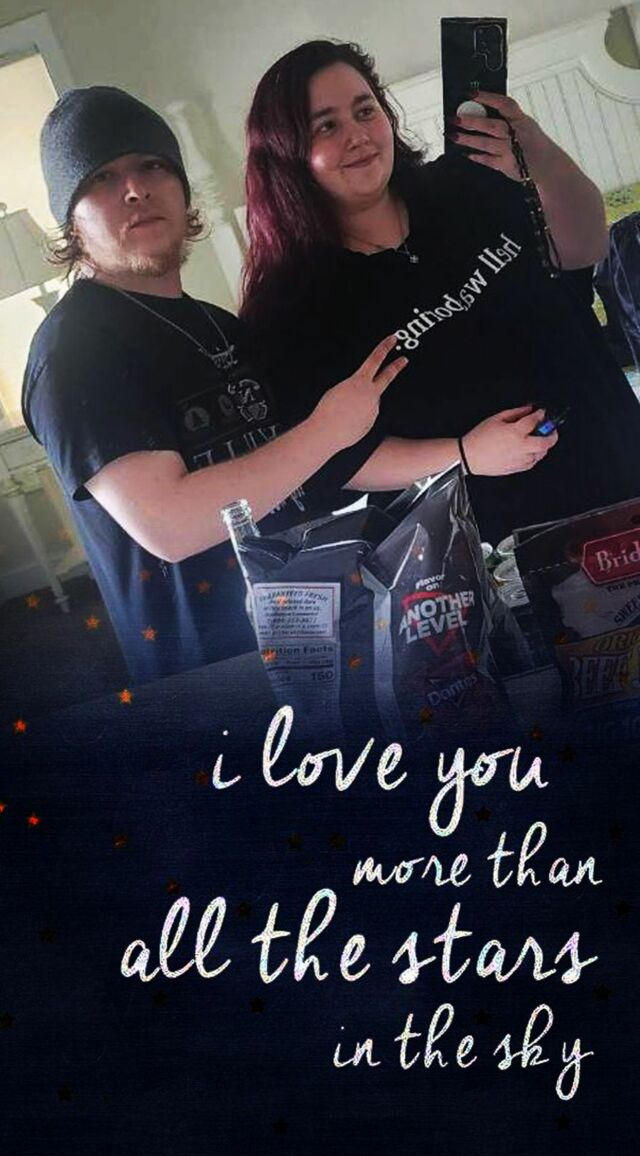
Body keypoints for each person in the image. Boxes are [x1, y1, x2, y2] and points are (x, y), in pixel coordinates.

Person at [22, 86, 551, 686]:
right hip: (223, 679)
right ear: (70, 218)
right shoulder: (74, 349)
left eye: (152, 166)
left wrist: (457, 454)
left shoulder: (217, 326)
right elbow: (171, 525)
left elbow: (315, 472)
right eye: (102, 178)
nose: (136, 189)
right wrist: (327, 430)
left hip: (331, 642)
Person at [241, 40, 640, 545]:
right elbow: (340, 459)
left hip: (617, 457)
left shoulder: (469, 181)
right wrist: (464, 454)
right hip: (498, 538)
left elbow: (585, 249)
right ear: (287, 154)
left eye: (365, 111)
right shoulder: (290, 307)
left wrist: (539, 154)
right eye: (326, 126)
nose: (358, 135)